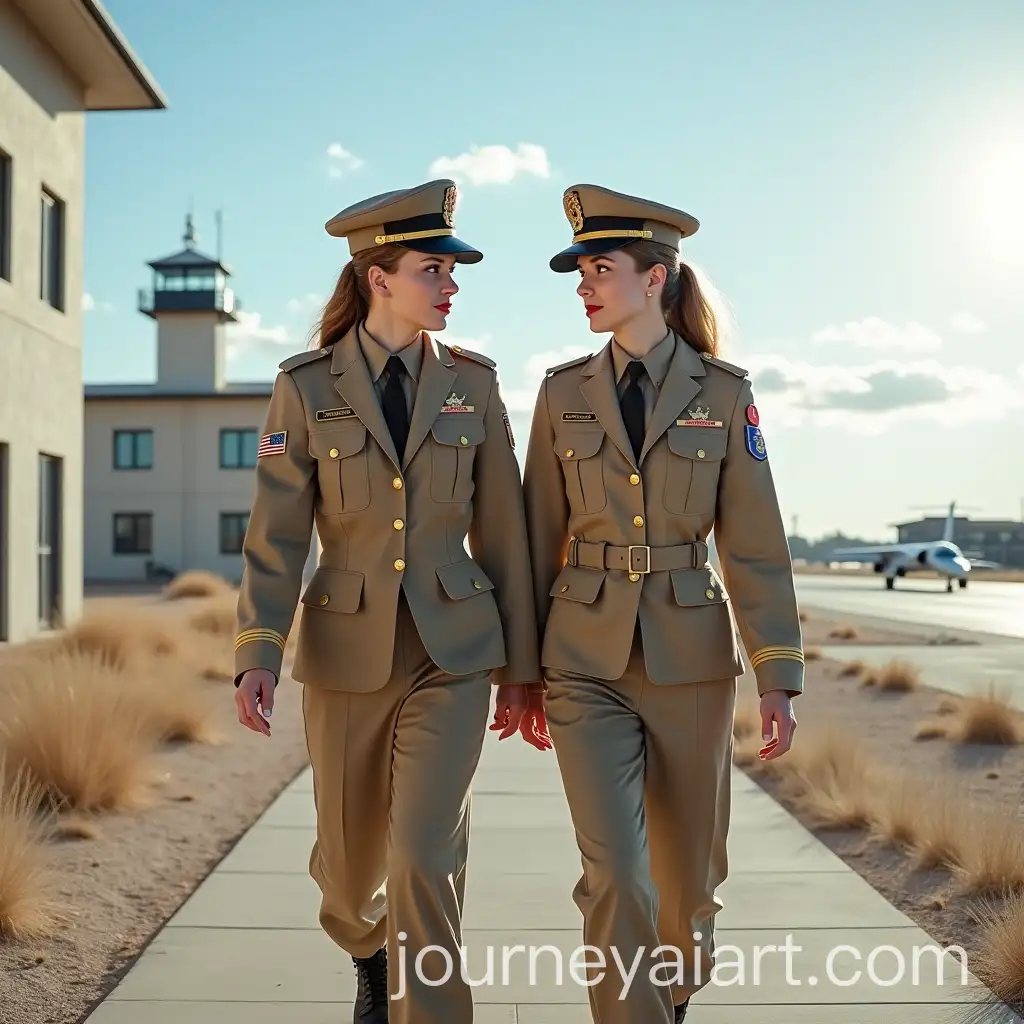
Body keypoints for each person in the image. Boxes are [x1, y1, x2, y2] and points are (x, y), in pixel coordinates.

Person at [232, 178, 549, 1024]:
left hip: (456, 654)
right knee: (349, 868)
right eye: (433, 268)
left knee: (424, 852)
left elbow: (507, 539)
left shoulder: (474, 386)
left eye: (452, 270)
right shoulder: (303, 387)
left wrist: (521, 670)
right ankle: (367, 951)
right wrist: (257, 652)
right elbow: (276, 537)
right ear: (379, 277)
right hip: (345, 655)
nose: (451, 284)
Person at [522, 183, 804, 1023]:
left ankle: (675, 992)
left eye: (599, 268)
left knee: (688, 881)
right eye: (578, 270)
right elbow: (538, 537)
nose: (583, 284)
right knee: (614, 874)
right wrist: (522, 670)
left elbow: (753, 542)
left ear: (656, 279)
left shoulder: (723, 393)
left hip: (690, 659)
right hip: (582, 660)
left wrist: (777, 674)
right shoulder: (559, 392)